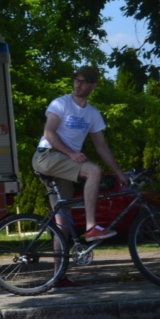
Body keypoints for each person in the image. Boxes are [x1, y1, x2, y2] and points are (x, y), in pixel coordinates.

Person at [32, 66, 128, 243]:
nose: (78, 85)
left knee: (63, 223)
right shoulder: (60, 104)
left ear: (93, 85)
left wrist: (118, 172)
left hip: (63, 164)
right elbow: (49, 133)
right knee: (93, 171)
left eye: (83, 82)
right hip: (47, 156)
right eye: (76, 80)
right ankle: (91, 227)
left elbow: (101, 147)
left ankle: (59, 261)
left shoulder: (93, 114)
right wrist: (71, 153)